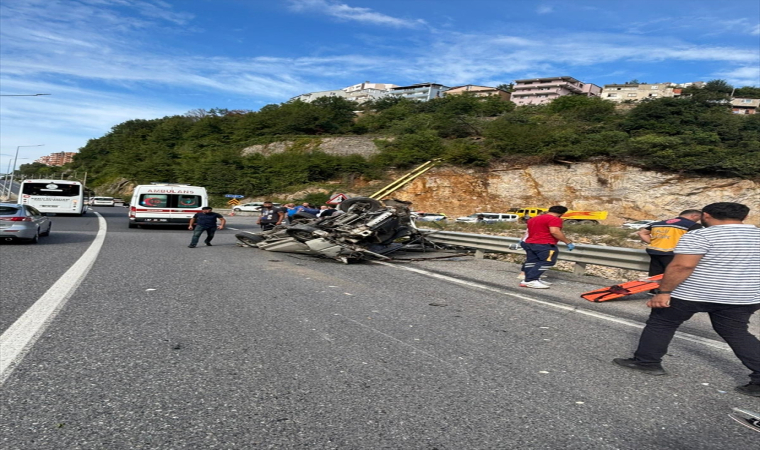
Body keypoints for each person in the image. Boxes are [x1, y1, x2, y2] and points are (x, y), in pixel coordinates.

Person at [613, 202, 760, 397]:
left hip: (693, 293)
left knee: (662, 322)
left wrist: (664, 291)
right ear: (744, 217)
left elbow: (681, 267)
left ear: (705, 216)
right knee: (737, 333)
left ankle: (647, 362)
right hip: (743, 296)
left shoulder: (701, 235)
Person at [519, 205, 575, 289]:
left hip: (530, 243)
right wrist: (567, 242)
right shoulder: (555, 219)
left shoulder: (533, 219)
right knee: (548, 261)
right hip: (545, 244)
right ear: (562, 213)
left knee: (532, 261)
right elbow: (555, 231)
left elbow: (528, 231)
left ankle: (529, 279)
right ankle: (530, 280)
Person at [637, 209, 702, 278]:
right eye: (699, 218)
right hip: (672, 254)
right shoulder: (692, 225)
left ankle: (654, 288)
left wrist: (655, 242)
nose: (699, 220)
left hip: (654, 251)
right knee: (673, 277)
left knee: (655, 277)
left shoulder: (660, 223)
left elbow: (642, 233)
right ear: (694, 216)